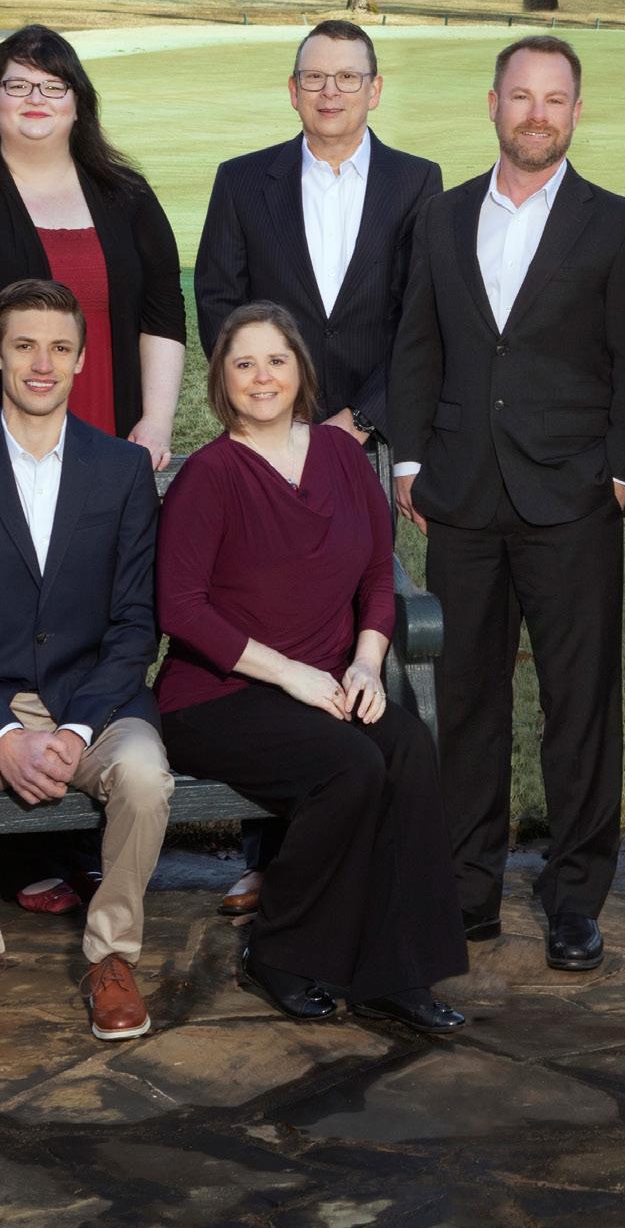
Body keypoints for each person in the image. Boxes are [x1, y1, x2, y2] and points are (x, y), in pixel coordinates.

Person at [0, 24, 185, 914]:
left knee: (82, 623)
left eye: (52, 87)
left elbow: (162, 313)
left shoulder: (124, 193)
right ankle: (23, 856)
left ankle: (79, 837)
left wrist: (154, 419)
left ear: (78, 101)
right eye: (17, 85)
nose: (34, 101)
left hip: (97, 453)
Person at [388, 35, 625, 972]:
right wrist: (409, 461)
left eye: (555, 99)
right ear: (493, 105)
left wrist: (621, 473)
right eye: (522, 96)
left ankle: (575, 897)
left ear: (577, 111)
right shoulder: (441, 216)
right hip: (460, 494)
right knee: (465, 702)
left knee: (579, 705)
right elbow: (417, 343)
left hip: (573, 496)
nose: (537, 114)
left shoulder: (620, 225)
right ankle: (468, 888)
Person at [157, 304, 468, 1031]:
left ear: (300, 370)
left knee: (406, 746)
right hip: (217, 695)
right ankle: (281, 952)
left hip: (330, 681)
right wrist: (291, 674)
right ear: (222, 380)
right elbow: (181, 608)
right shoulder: (210, 474)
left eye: (276, 361)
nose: (262, 377)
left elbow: (378, 575)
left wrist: (367, 663)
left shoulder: (340, 456)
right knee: (349, 767)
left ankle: (398, 973)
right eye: (244, 364)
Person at [193, 17, 442, 919]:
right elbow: (218, 303)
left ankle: (350, 845)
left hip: (363, 444)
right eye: (314, 77)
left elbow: (420, 318)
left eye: (347, 77)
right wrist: (279, 412)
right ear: (292, 90)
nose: (330, 91)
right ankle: (270, 855)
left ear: (375, 90)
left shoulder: (416, 183)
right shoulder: (243, 181)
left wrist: (357, 420)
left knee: (346, 625)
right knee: (271, 620)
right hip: (268, 437)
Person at [0, 279, 172, 1047]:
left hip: (98, 703)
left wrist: (79, 729)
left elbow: (136, 624)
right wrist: (3, 735)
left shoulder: (121, 470)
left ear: (82, 359)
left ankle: (112, 957)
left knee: (146, 776)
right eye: (24, 346)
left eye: (59, 348)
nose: (42, 364)